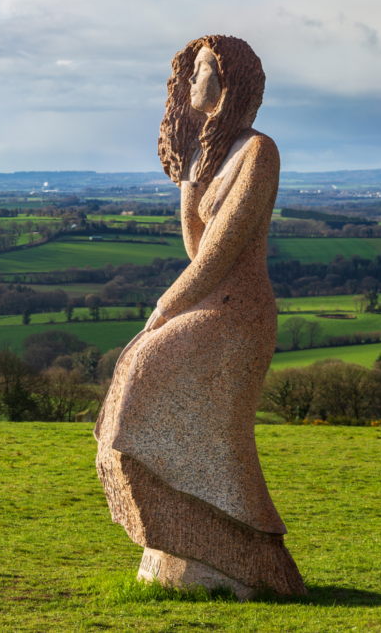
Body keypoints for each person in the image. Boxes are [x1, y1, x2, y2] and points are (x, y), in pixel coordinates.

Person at [94, 35, 305, 596]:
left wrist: (163, 308)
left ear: (229, 79)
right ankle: (178, 534)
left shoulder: (261, 153)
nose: (191, 81)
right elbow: (195, 241)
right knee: (138, 368)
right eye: (188, 73)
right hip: (211, 303)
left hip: (240, 313)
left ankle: (240, 549)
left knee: (145, 366)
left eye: (202, 70)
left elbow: (218, 254)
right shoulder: (207, 155)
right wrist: (193, 170)